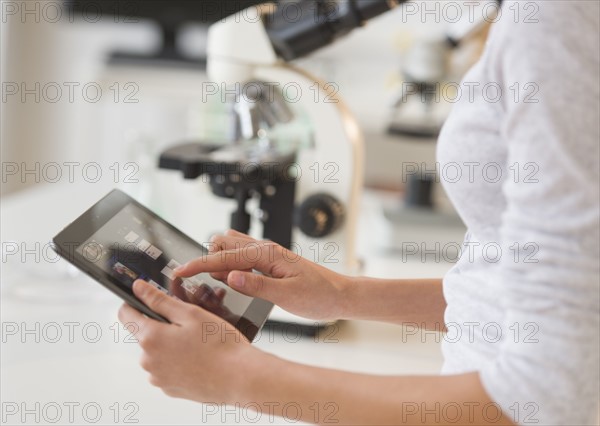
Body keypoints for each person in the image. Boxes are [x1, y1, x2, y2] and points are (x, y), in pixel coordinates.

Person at [117, 1, 600, 424]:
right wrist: (342, 294)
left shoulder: (558, 20)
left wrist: (237, 377)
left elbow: (543, 400)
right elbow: (524, 296)